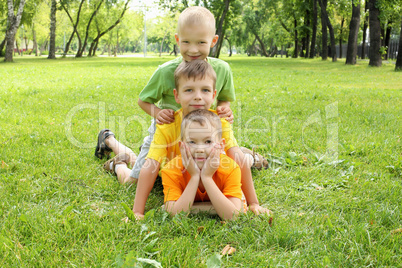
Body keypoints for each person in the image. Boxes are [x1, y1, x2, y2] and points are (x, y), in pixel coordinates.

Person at [100, 60, 271, 219]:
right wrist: (137, 211)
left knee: (239, 158)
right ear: (177, 95)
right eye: (189, 90)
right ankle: (116, 159)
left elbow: (237, 160)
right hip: (175, 173)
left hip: (210, 167)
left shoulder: (220, 120)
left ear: (213, 95)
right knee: (132, 181)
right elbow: (151, 166)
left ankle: (250, 157)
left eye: (205, 90)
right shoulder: (167, 124)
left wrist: (254, 203)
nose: (197, 97)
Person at [162, 109, 243, 220]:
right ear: (181, 146)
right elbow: (176, 215)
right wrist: (195, 176)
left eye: (208, 142)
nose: (200, 149)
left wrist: (206, 177)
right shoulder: (170, 170)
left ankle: (252, 156)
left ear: (221, 145)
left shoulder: (231, 168)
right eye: (192, 142)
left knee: (245, 159)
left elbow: (233, 216)